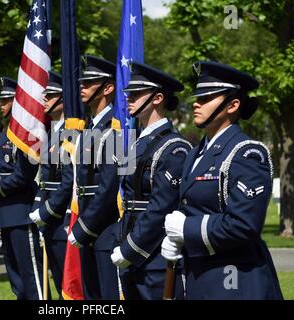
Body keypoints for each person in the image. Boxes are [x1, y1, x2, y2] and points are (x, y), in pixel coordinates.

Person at [161, 61, 283, 299]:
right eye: (198, 96)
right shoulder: (196, 153)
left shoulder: (246, 153)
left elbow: (243, 224)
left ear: (233, 105)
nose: (196, 102)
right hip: (200, 276)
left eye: (206, 98)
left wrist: (186, 230)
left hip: (234, 281)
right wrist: (178, 239)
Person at [110, 62, 192, 300]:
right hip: (129, 245)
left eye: (136, 94)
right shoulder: (136, 143)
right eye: (128, 94)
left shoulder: (174, 148)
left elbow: (160, 208)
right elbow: (125, 195)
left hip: (154, 256)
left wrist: (130, 249)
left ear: (157, 98)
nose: (129, 99)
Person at [0, 77, 45, 299]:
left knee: (32, 279)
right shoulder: (8, 131)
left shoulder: (27, 132)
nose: (2, 105)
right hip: (7, 213)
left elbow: (23, 177)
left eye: (6, 100)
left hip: (22, 212)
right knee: (17, 280)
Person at [68, 55, 121, 299]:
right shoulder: (89, 127)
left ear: (107, 88)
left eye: (89, 83)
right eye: (82, 82)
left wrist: (85, 227)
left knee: (106, 297)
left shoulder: (115, 129)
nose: (82, 87)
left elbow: (109, 188)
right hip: (87, 226)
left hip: (105, 227)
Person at [29, 71, 73, 298]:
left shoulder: (71, 132)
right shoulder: (50, 130)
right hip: (49, 219)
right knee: (56, 280)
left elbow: (68, 181)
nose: (44, 101)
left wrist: (46, 211)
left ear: (62, 99)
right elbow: (44, 177)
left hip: (63, 218)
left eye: (50, 96)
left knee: (68, 285)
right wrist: (39, 205)